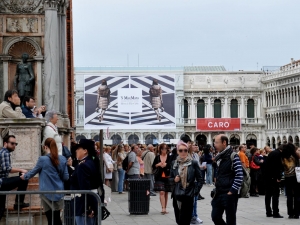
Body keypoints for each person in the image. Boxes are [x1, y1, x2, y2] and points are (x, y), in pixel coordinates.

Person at [21, 138, 69, 225]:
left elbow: (33, 172)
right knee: (57, 217)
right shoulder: (62, 159)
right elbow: (66, 177)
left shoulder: (42, 160)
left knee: (50, 218)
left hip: (46, 193)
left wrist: (24, 176)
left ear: (45, 147)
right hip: (59, 192)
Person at [211, 135, 243, 225]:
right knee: (215, 216)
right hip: (219, 192)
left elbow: (239, 175)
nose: (214, 144)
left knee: (230, 220)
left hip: (229, 193)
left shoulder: (233, 156)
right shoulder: (219, 156)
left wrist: (232, 190)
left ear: (224, 143)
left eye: (216, 142)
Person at [70, 139, 103, 225]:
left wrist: (88, 207)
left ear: (85, 151)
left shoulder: (83, 166)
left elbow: (85, 188)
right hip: (89, 202)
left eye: (78, 148)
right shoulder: (91, 162)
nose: (76, 151)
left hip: (83, 205)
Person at [170, 140, 203, 225]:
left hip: (188, 194)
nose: (183, 152)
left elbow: (200, 179)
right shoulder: (174, 163)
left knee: (186, 220)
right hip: (177, 194)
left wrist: (195, 191)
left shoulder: (193, 163)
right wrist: (174, 180)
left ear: (188, 151)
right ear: (177, 151)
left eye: (185, 150)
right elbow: (169, 179)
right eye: (181, 150)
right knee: (179, 219)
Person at [0, 135, 29, 220]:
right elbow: (7, 169)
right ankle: (19, 203)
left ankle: (19, 203)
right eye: (12, 143)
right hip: (2, 182)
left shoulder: (3, 152)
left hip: (2, 183)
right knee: (24, 177)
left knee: (1, 208)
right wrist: (22, 170)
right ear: (5, 143)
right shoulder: (5, 153)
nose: (14, 145)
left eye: (15, 144)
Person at [281, 143, 300, 219]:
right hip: (295, 177)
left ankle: (290, 213)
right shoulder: (295, 157)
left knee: (289, 196)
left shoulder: (283, 157)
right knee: (297, 195)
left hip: (287, 177)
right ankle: (297, 213)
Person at [264, 145, 284, 218]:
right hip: (273, 177)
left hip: (267, 176)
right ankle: (275, 212)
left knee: (268, 195)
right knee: (275, 194)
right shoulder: (278, 154)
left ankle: (268, 212)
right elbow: (276, 167)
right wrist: (278, 177)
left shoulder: (272, 153)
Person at [152, 143, 171, 214]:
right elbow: (153, 166)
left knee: (166, 192)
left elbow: (172, 165)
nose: (164, 150)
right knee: (162, 192)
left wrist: (167, 164)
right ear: (160, 149)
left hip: (167, 176)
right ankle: (163, 208)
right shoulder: (157, 157)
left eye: (166, 149)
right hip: (159, 176)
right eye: (163, 149)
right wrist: (158, 164)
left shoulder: (169, 157)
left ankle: (165, 207)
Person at [190, 143, 204, 224]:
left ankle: (195, 216)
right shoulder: (188, 155)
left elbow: (198, 166)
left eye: (196, 145)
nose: (196, 147)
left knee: (195, 200)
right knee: (192, 201)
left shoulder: (196, 155)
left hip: (196, 180)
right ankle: (192, 216)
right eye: (194, 145)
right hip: (191, 181)